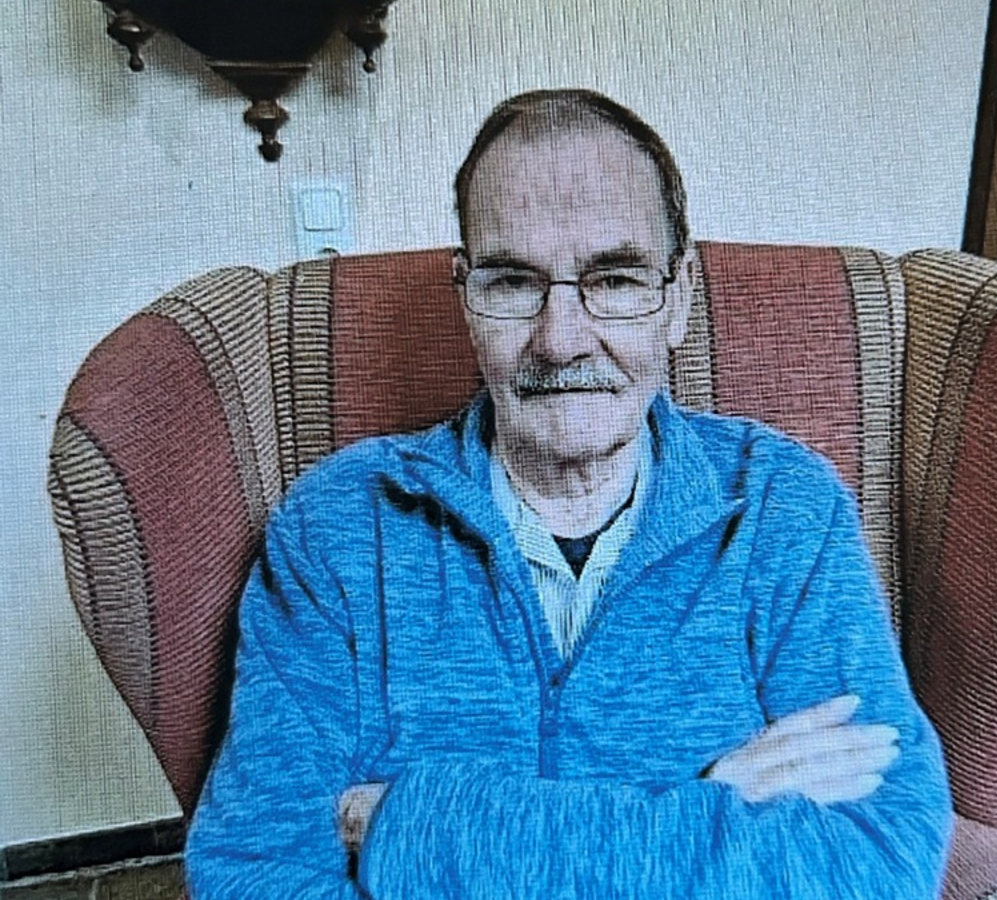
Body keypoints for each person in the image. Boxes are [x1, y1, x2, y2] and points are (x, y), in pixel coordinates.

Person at [185, 88, 953, 899]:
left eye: (614, 280)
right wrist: (706, 810)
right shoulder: (338, 527)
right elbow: (250, 872)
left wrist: (415, 825)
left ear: (679, 298)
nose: (561, 340)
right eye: (513, 283)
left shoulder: (784, 508)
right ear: (465, 299)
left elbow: (881, 859)